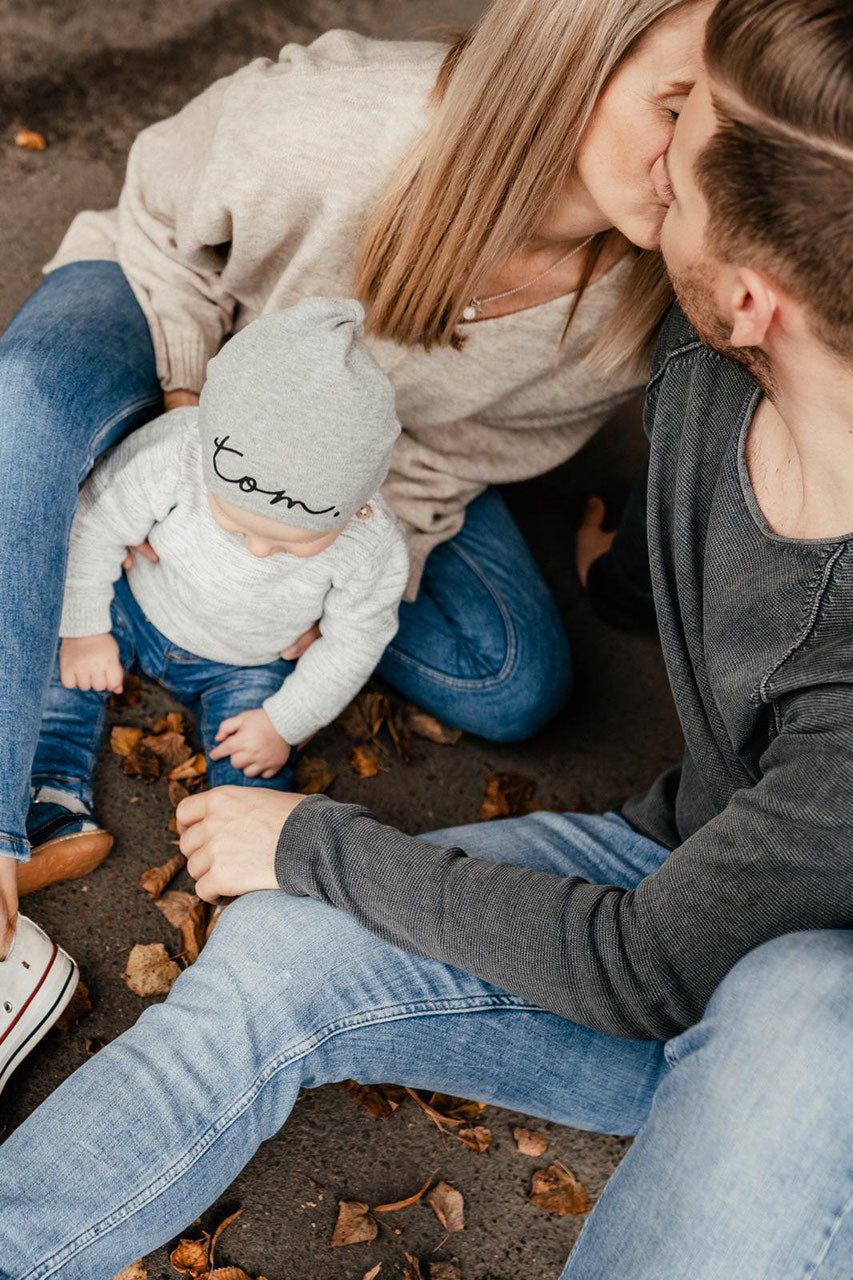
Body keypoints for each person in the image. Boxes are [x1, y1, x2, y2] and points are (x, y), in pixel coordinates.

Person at [2, 2, 851, 1276]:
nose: (663, 168)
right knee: (283, 940)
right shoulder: (709, 355)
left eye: (695, 142)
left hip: (767, 1007)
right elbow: (709, 562)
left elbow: (646, 969)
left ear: (749, 293)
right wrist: (621, 579)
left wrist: (314, 837)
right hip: (685, 872)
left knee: (799, 1008)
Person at [0, 0, 710, 935]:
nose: (699, 161)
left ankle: (110, 558)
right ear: (581, 48)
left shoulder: (647, 296)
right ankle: (16, 810)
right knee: (32, 401)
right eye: (672, 107)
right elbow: (162, 222)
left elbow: (468, 452)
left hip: (354, 474)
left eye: (726, 129)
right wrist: (193, 437)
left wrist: (338, 554)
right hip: (172, 319)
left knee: (516, 684)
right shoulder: (338, 121)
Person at [24, 297, 408, 891]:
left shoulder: (370, 540)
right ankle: (50, 802)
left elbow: (358, 637)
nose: (257, 551)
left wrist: (285, 720)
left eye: (290, 542)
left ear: (358, 501)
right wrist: (84, 626)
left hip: (246, 667)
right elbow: (98, 519)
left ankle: (257, 886)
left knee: (254, 765)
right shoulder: (176, 452)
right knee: (57, 675)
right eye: (236, 524)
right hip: (137, 607)